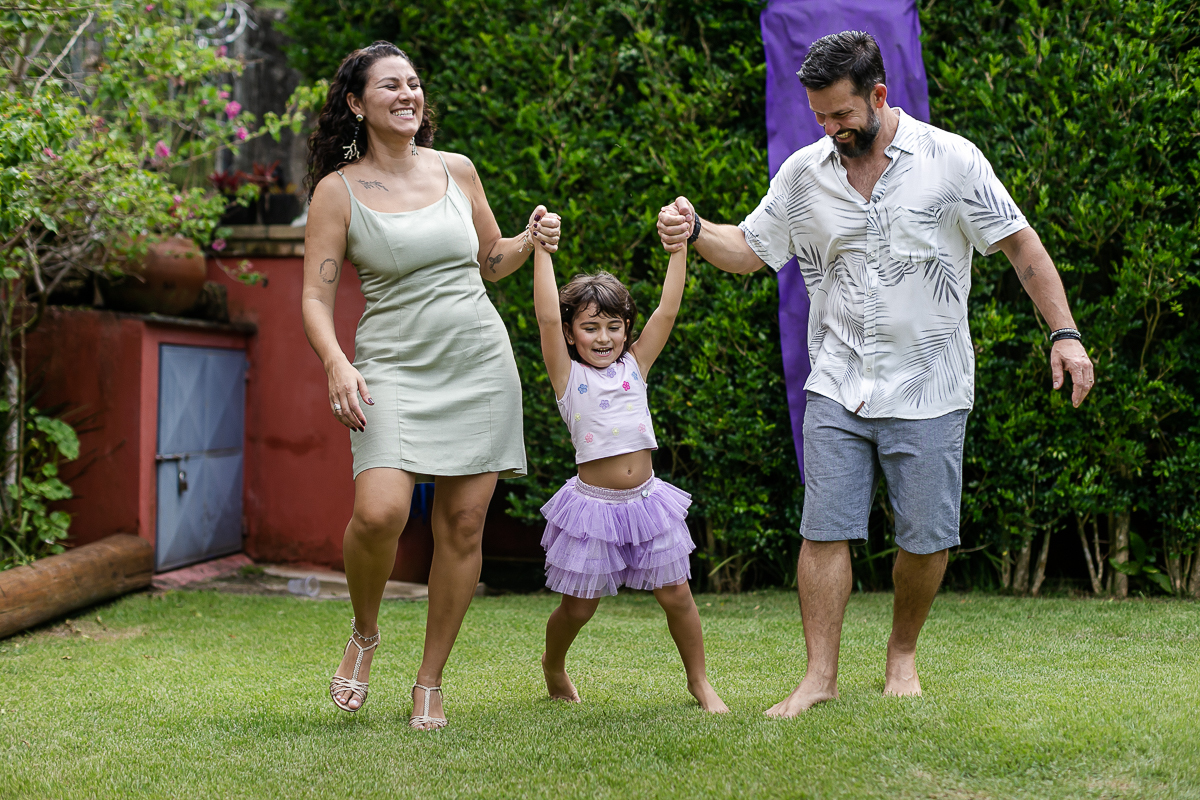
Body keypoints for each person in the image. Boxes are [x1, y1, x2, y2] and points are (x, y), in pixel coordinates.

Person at [656, 31, 1093, 717]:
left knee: (924, 539)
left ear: (878, 96)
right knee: (823, 529)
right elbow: (749, 248)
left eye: (840, 116)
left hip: (931, 383)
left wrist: (1064, 333)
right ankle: (818, 677)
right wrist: (694, 226)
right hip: (838, 379)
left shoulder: (951, 160)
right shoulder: (804, 173)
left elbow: (1018, 243)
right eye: (819, 118)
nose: (830, 130)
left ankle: (902, 652)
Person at [301, 41, 561, 730]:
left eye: (414, 83)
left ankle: (429, 681)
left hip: (477, 363)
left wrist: (530, 237)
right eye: (390, 86)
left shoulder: (458, 170)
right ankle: (364, 631)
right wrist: (335, 362)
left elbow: (490, 260)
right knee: (381, 511)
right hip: (390, 366)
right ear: (357, 103)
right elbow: (313, 300)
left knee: (465, 524)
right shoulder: (339, 191)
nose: (408, 94)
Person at [530, 227, 728, 713]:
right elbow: (545, 318)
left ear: (626, 329)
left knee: (677, 594)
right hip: (591, 508)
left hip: (647, 502)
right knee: (579, 606)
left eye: (614, 326)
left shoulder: (636, 365)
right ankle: (553, 665)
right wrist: (541, 251)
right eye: (591, 327)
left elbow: (667, 311)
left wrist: (678, 251)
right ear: (573, 335)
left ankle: (699, 682)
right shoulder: (567, 374)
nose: (604, 337)